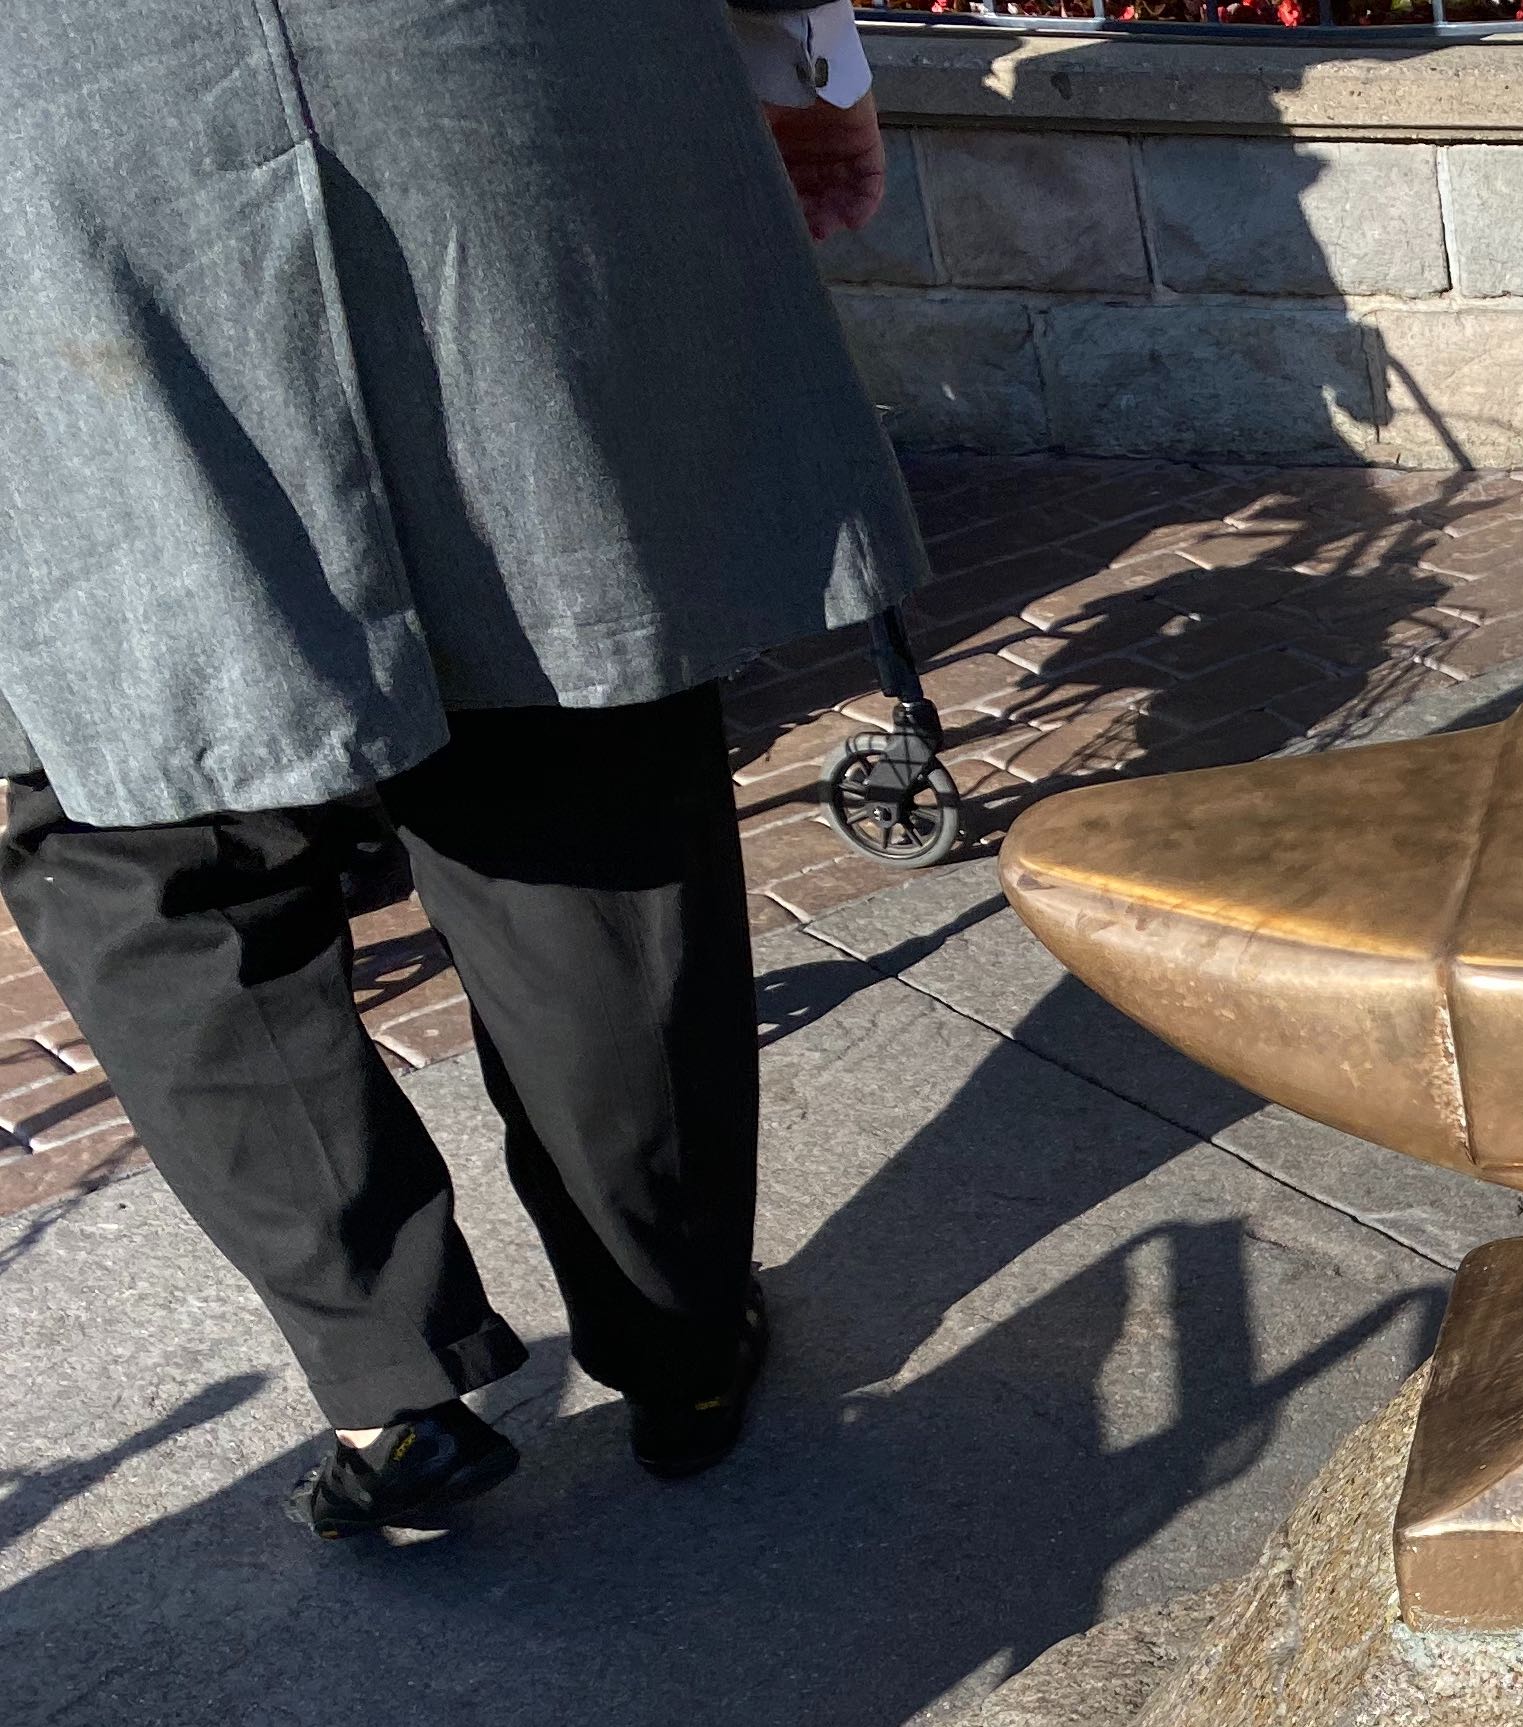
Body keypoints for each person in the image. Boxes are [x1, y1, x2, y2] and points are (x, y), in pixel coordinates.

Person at [0, 1, 925, 1535]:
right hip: (483, 73)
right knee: (574, 699)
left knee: (139, 795)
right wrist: (805, 60)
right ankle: (679, 1345)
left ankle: (389, 1393)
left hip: (53, 131)